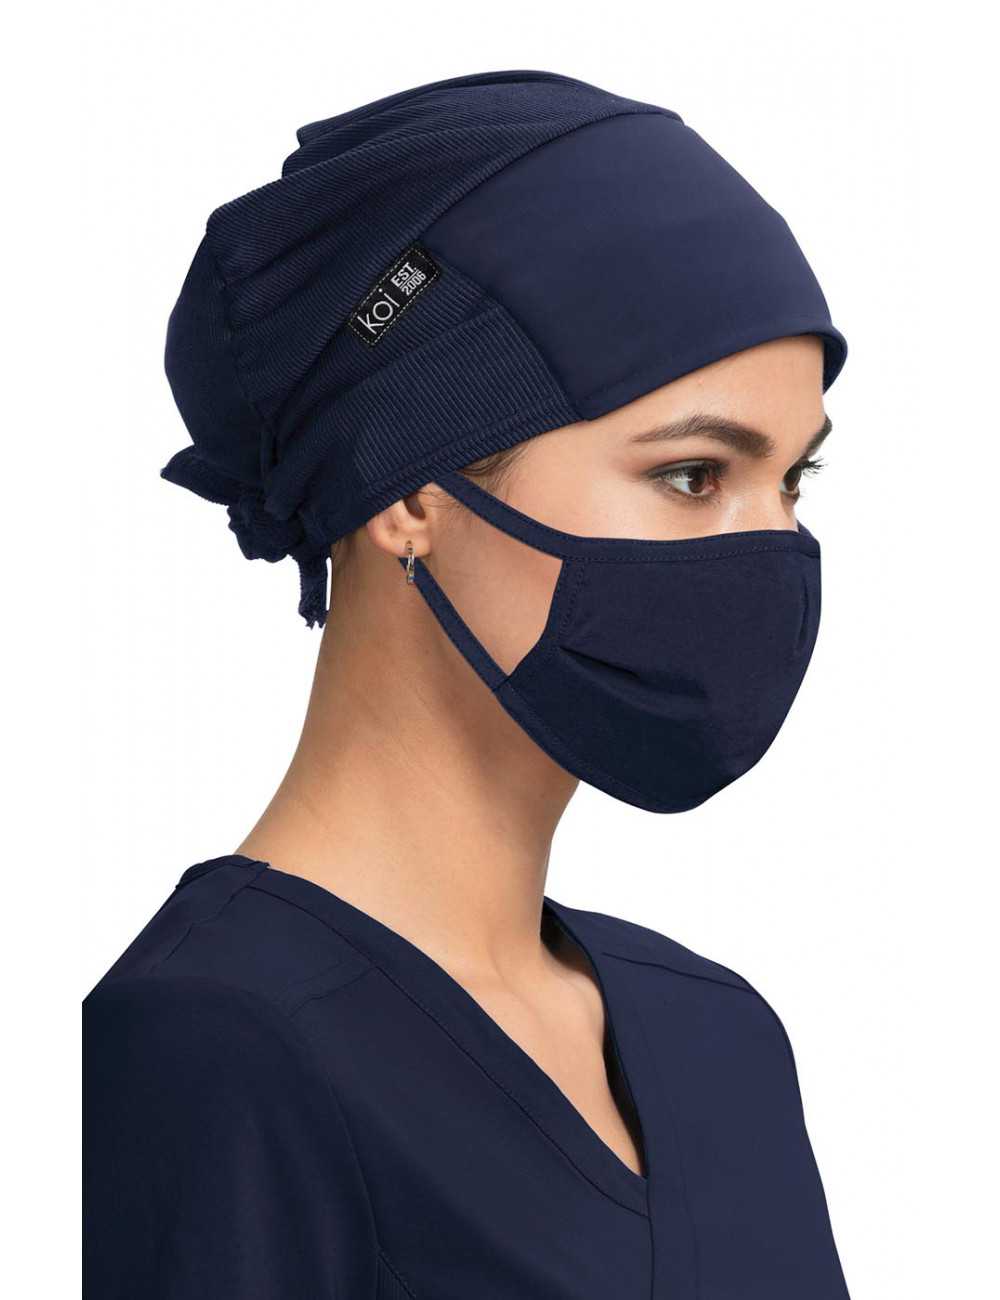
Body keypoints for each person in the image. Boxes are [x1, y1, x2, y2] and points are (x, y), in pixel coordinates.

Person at [83, 69, 852, 1298]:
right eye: (694, 475)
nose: (773, 549)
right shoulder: (214, 1044)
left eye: (794, 482)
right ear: (408, 490)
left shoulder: (720, 1038)